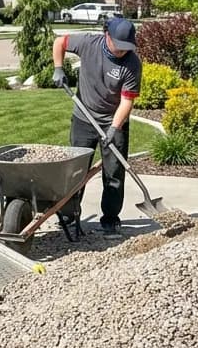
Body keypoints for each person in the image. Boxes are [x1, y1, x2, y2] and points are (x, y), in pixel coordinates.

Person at [51, 16, 143, 240]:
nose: (122, 51)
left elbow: (126, 101)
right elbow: (59, 42)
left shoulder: (132, 64)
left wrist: (114, 128)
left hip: (113, 120)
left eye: (126, 47)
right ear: (107, 36)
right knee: (75, 170)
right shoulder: (87, 43)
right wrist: (59, 68)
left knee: (114, 173)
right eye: (118, 46)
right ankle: (70, 213)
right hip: (83, 117)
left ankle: (110, 220)